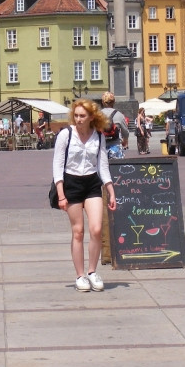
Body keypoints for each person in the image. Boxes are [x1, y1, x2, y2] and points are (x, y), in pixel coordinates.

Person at [52, 98, 117, 292]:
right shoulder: (66, 134)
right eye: (76, 115)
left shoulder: (98, 135)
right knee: (78, 231)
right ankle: (80, 275)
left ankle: (92, 272)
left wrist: (111, 191)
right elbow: (57, 165)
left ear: (91, 117)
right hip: (71, 183)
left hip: (92, 183)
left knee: (96, 229)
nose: (78, 119)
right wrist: (61, 194)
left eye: (82, 116)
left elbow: (102, 165)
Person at [100, 91, 129, 159]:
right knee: (117, 165)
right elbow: (125, 132)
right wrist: (125, 141)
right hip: (115, 146)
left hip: (101, 147)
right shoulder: (119, 115)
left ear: (102, 102)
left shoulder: (97, 115)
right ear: (114, 102)